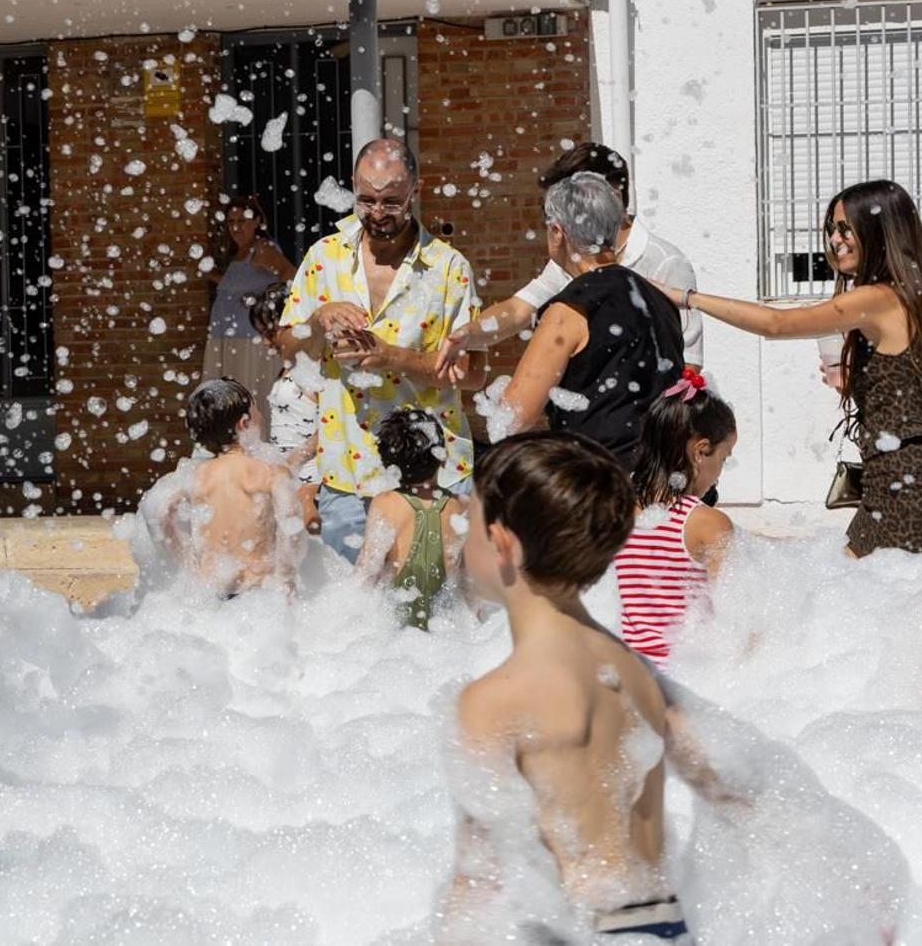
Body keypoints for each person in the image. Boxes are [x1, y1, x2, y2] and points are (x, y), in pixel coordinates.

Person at [441, 432, 741, 942]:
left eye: (468, 525)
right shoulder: (635, 671)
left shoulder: (490, 701)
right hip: (661, 920)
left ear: (502, 545)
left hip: (583, 927)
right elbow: (726, 783)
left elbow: (478, 880)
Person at [658, 180, 922, 557]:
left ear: (877, 231)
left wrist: (686, 298)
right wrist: (860, 383)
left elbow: (776, 324)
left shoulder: (877, 298)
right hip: (908, 477)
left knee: (868, 585)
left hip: (907, 485)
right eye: (832, 229)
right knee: (862, 582)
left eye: (845, 229)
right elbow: (912, 395)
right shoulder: (919, 297)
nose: (835, 239)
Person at [274, 138, 487, 560]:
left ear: (416, 191)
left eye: (391, 202)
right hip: (347, 472)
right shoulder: (323, 258)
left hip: (433, 472)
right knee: (352, 596)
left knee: (435, 596)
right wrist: (317, 320)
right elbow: (287, 350)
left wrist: (392, 357)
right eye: (366, 200)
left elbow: (474, 374)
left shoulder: (449, 268)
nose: (376, 212)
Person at [436, 141, 703, 379]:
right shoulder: (573, 256)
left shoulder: (665, 262)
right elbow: (518, 310)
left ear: (611, 193)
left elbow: (689, 365)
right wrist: (469, 333)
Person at [495, 172, 683, 465]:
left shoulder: (569, 310)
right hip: (663, 471)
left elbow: (514, 417)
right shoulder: (657, 299)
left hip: (601, 476)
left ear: (558, 232)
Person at [613, 370, 737, 666]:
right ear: (700, 451)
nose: (721, 471)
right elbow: (734, 617)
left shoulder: (616, 512)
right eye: (724, 457)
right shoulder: (708, 523)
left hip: (629, 671)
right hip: (685, 676)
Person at [153, 378, 302, 598]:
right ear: (244, 423)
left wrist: (190, 569)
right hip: (258, 593)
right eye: (257, 409)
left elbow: (162, 514)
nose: (261, 415)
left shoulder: (197, 475)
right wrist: (285, 581)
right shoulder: (270, 472)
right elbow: (290, 517)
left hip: (211, 593)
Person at [355, 409, 466, 630]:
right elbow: (467, 581)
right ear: (442, 458)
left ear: (389, 465)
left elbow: (366, 570)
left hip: (393, 625)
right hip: (445, 626)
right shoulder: (460, 506)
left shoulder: (385, 503)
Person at [202, 194, 297, 416]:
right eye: (231, 222)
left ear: (256, 222)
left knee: (248, 397)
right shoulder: (240, 253)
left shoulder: (261, 248)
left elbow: (291, 274)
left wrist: (263, 297)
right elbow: (237, 286)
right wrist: (208, 274)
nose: (236, 227)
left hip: (249, 340)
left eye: (242, 221)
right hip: (226, 338)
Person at [248, 281, 321, 533]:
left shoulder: (315, 366)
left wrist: (293, 461)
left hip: (312, 480)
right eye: (261, 334)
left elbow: (331, 426)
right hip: (289, 477)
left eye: (270, 332)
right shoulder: (289, 367)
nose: (265, 342)